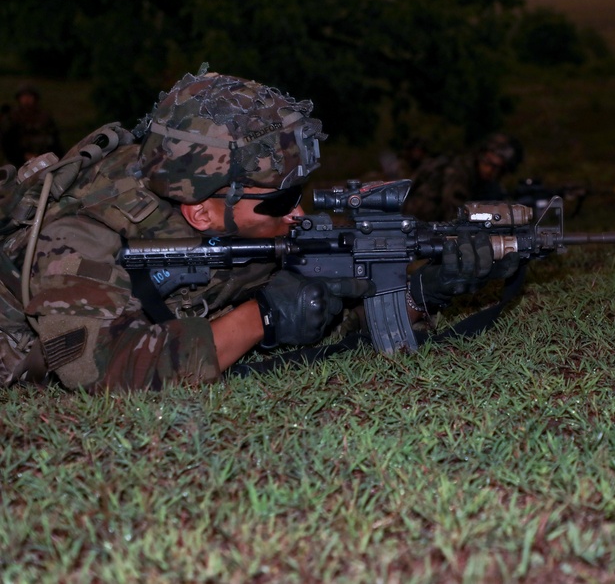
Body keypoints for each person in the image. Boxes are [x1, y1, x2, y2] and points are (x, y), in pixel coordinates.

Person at [15, 71, 505, 391]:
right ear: (201, 213)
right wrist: (261, 318)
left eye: (301, 190)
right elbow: (111, 375)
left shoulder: (241, 219)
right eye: (279, 199)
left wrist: (423, 289)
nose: (297, 213)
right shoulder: (81, 239)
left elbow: (323, 312)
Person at [402, 132, 523, 221]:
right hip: (420, 227)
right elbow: (453, 213)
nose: (490, 171)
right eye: (488, 163)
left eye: (499, 169)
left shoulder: (484, 182)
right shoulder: (460, 172)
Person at [0, 83, 61, 166]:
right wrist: (23, 155)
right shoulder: (12, 118)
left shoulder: (44, 117)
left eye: (30, 96)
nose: (27, 99)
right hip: (18, 162)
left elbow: (54, 141)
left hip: (43, 160)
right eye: (24, 96)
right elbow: (8, 143)